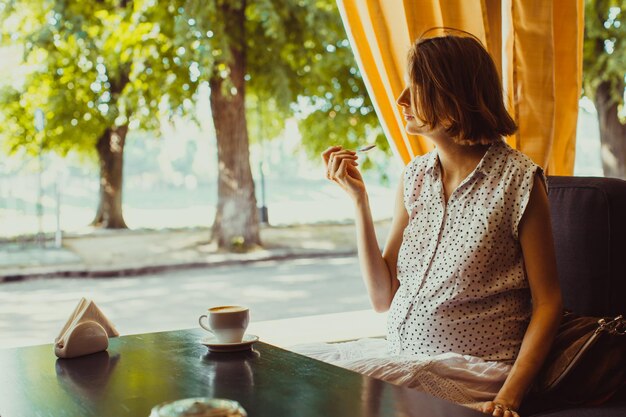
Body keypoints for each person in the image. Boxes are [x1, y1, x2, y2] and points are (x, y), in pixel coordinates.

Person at [306, 30, 563, 417]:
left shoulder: (518, 181)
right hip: (405, 360)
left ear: (453, 95)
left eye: (416, 87)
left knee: (328, 392)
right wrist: (359, 202)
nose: (400, 100)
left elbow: (549, 303)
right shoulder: (415, 177)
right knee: (295, 369)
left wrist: (509, 397)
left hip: (475, 372)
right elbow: (382, 297)